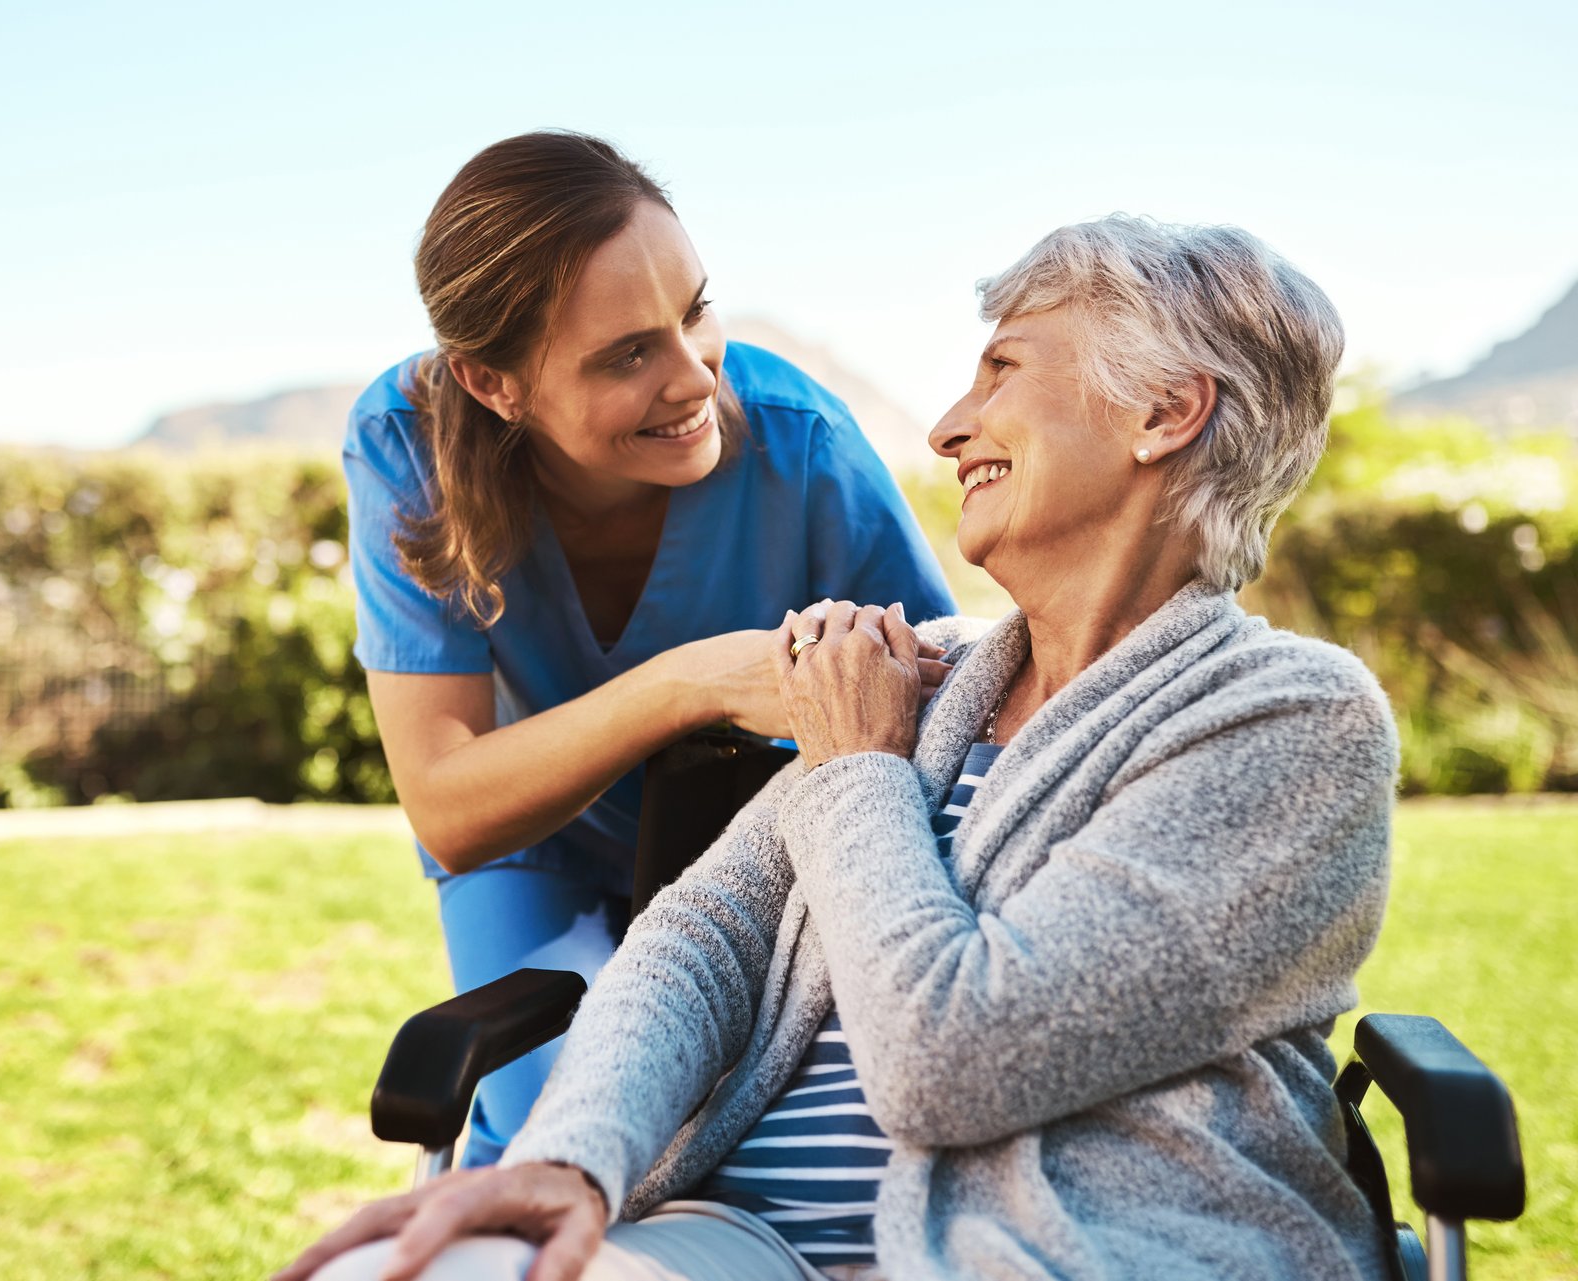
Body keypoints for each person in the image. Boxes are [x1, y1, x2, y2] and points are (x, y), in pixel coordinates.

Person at [282, 215, 1399, 1281]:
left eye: (1003, 371)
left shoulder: (1288, 720)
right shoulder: (937, 681)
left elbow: (958, 1062)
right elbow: (702, 937)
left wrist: (859, 769)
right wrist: (572, 1162)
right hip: (746, 1241)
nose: (948, 427)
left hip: (1075, 1247)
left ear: (1164, 412)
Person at [345, 131, 956, 1167]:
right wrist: (687, 682)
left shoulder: (801, 441)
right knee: (550, 1144)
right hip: (539, 846)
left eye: (695, 311)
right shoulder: (407, 446)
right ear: (494, 384)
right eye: (629, 353)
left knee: (734, 1148)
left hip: (764, 850)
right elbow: (449, 809)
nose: (694, 378)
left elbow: (951, 715)